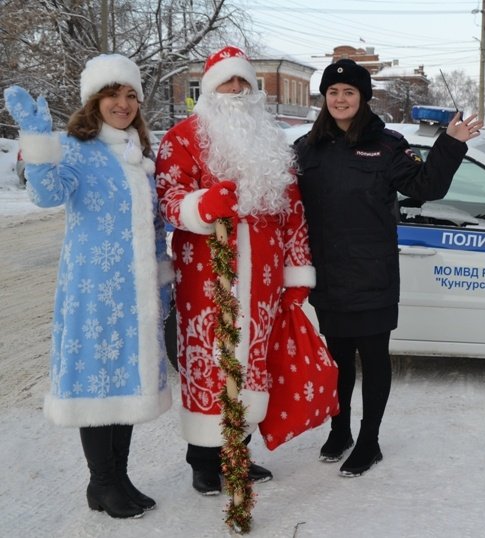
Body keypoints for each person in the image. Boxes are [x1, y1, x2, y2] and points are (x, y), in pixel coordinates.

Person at [293, 59, 483, 477]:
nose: (340, 99)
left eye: (349, 92)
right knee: (337, 359)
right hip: (327, 273)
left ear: (362, 98)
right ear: (325, 99)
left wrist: (450, 143)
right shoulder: (307, 149)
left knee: (373, 357)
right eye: (333, 92)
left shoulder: (387, 145)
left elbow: (426, 186)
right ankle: (339, 429)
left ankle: (369, 440)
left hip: (373, 273)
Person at [3, 54, 173, 518]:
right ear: (94, 101)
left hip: (137, 291)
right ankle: (101, 482)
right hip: (94, 288)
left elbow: (157, 227)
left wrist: (163, 283)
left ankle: (118, 478)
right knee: (98, 383)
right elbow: (46, 195)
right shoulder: (76, 147)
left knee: (128, 382)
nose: (123, 104)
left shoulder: (141, 155)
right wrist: (38, 140)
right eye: (112, 95)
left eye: (130, 95)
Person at [155, 46, 315, 495]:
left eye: (243, 81)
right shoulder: (182, 138)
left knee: (251, 363)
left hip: (263, 278)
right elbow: (169, 198)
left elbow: (293, 214)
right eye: (227, 81)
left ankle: (237, 453)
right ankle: (204, 462)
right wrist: (201, 207)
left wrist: (298, 276)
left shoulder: (271, 142)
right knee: (209, 362)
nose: (237, 89)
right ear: (209, 89)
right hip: (208, 275)